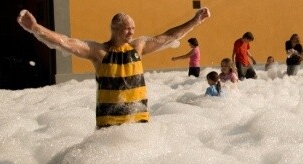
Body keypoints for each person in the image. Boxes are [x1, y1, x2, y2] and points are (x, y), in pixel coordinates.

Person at [17, 7, 210, 127]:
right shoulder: (98, 52)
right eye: (127, 28)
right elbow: (65, 42)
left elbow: (168, 37)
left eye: (133, 28)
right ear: (115, 30)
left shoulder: (138, 46)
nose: (131, 31)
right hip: (110, 126)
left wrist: (195, 21)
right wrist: (36, 28)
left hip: (138, 120)